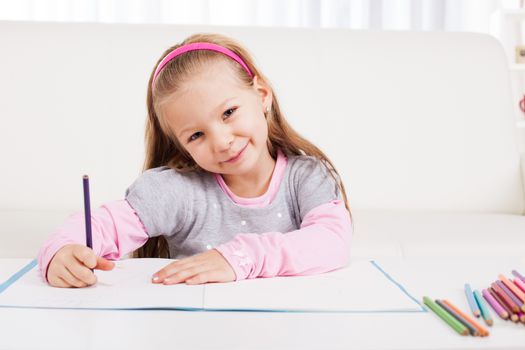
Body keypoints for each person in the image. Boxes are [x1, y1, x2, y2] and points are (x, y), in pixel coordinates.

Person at [38, 33, 353, 288]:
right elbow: (102, 226)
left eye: (229, 113)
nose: (221, 141)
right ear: (181, 145)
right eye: (196, 135)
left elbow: (332, 241)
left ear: (261, 94)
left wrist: (239, 257)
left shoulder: (307, 178)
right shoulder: (176, 190)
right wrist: (61, 252)